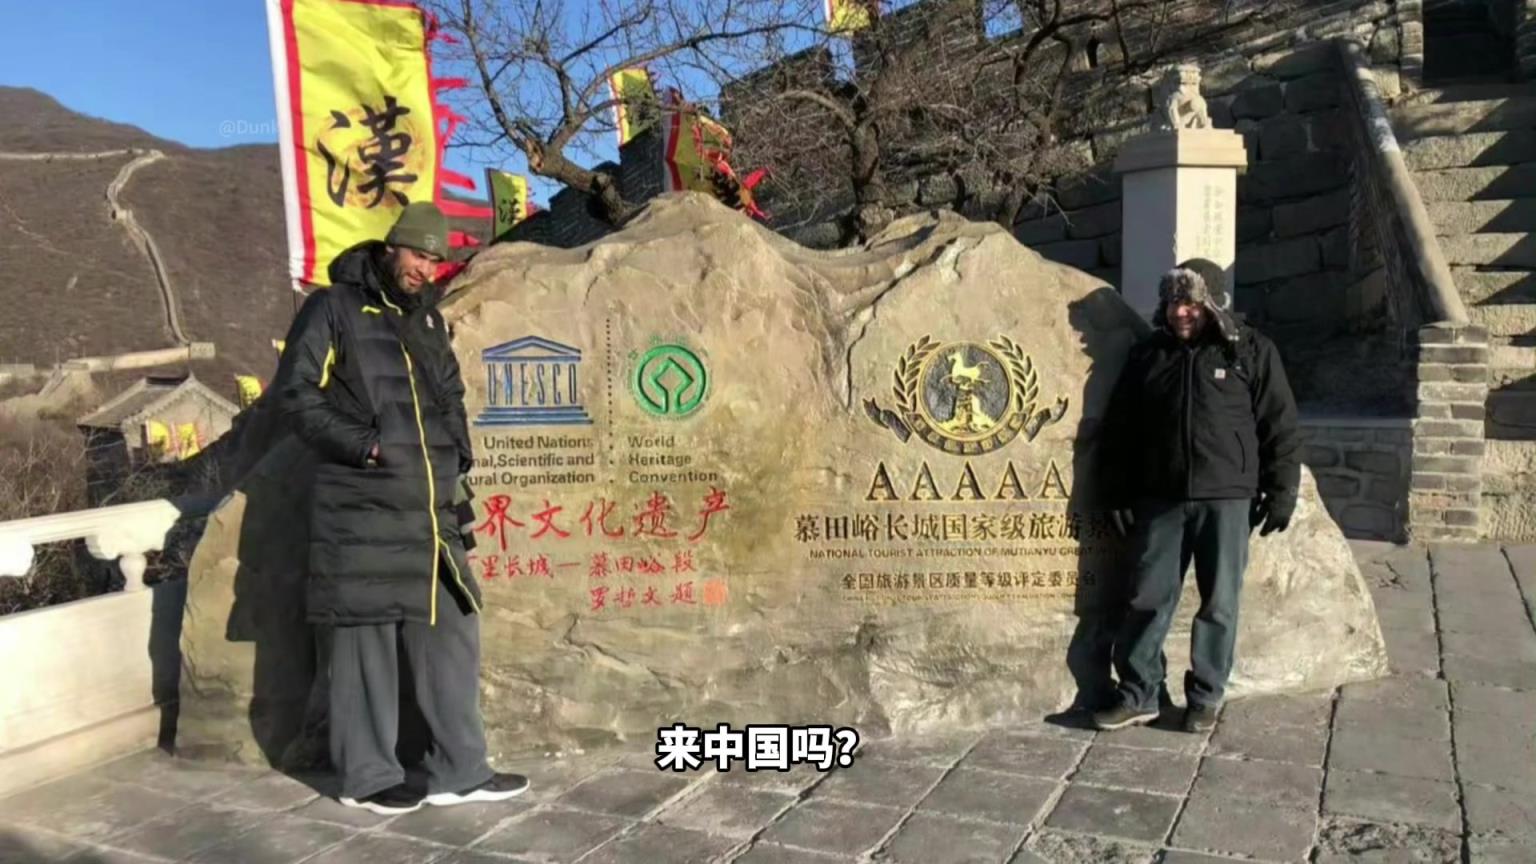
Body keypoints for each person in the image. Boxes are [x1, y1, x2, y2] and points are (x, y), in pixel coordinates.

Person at [272, 202, 528, 814]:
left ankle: (458, 769)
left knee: (452, 631)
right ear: (391, 247)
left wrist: (457, 455)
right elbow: (295, 394)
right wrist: (368, 447)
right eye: (418, 255)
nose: (426, 269)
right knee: (365, 645)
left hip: (432, 510)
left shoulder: (429, 319)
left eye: (436, 260)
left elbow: (451, 395)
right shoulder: (332, 309)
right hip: (363, 506)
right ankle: (366, 778)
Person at [1093, 258, 1301, 734]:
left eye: (1190, 302)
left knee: (1219, 603)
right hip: (1159, 498)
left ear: (1213, 303)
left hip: (1227, 499)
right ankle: (1139, 692)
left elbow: (1280, 426)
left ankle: (1205, 697)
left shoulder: (1249, 350)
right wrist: (1116, 488)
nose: (1180, 312)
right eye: (1173, 303)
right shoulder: (1149, 356)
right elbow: (1120, 429)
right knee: (1147, 597)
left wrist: (1282, 490)